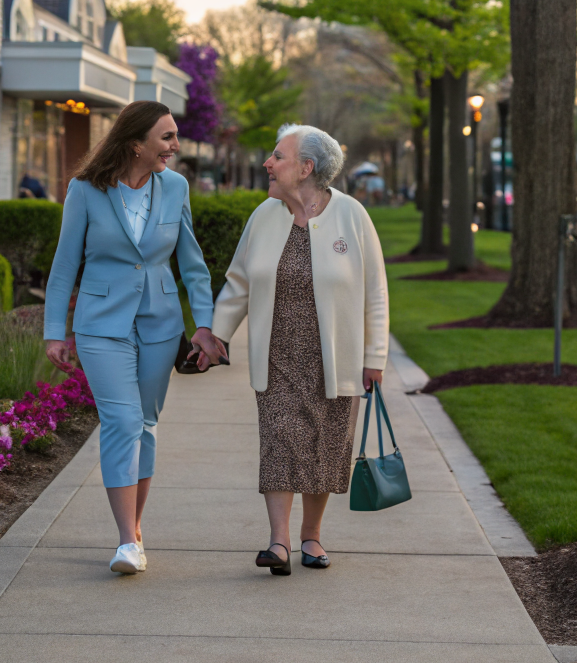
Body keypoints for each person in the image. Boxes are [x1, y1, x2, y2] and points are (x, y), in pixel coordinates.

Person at [43, 101, 227, 576]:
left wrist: (204, 326)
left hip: (160, 324)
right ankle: (126, 541)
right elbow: (65, 266)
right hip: (101, 323)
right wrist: (53, 333)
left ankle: (135, 530)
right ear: (135, 144)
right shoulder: (85, 191)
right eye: (166, 137)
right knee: (122, 421)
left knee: (144, 422)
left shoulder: (176, 187)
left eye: (175, 136)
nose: (175, 145)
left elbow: (192, 263)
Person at [212, 124, 390, 575]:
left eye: (278, 157)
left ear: (307, 168)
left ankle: (312, 536)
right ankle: (279, 542)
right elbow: (238, 282)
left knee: (325, 447)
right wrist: (217, 333)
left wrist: (376, 357)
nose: (268, 165)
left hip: (338, 358)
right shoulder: (265, 216)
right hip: (277, 355)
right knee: (280, 440)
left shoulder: (352, 216)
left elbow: (375, 292)